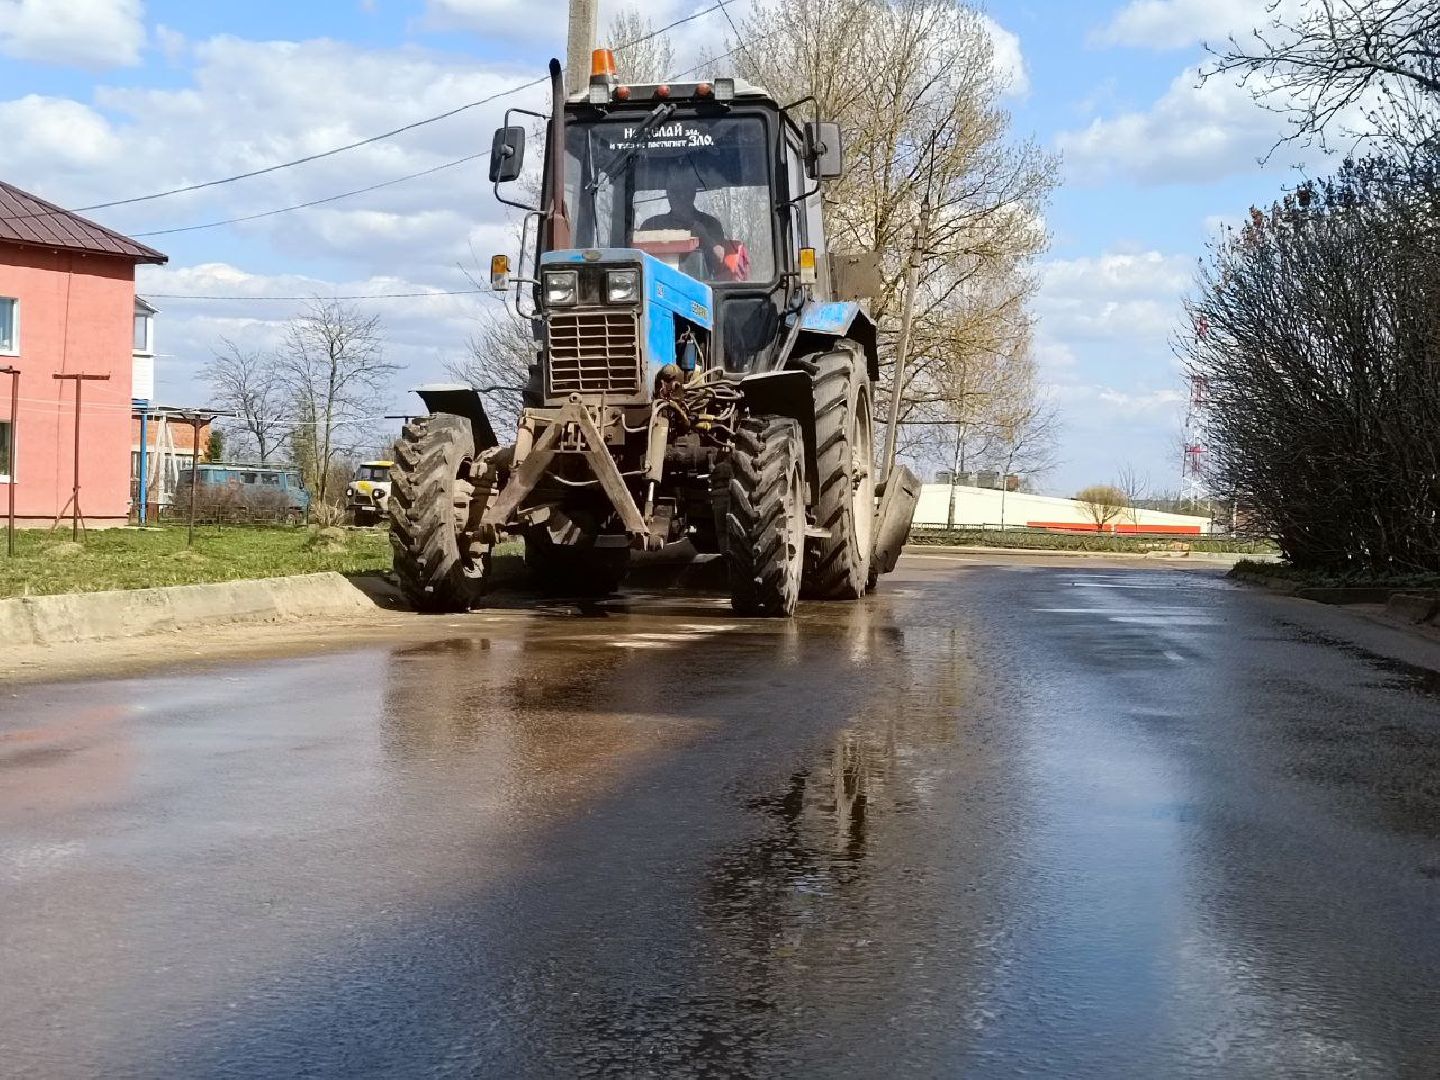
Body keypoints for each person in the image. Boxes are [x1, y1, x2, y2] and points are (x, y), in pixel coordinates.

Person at [640, 170, 729, 278]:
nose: (678, 196)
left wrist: (703, 236)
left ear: (693, 193)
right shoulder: (651, 226)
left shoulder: (710, 224)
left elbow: (719, 258)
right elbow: (637, 263)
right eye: (673, 190)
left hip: (701, 289)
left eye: (683, 190)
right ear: (668, 193)